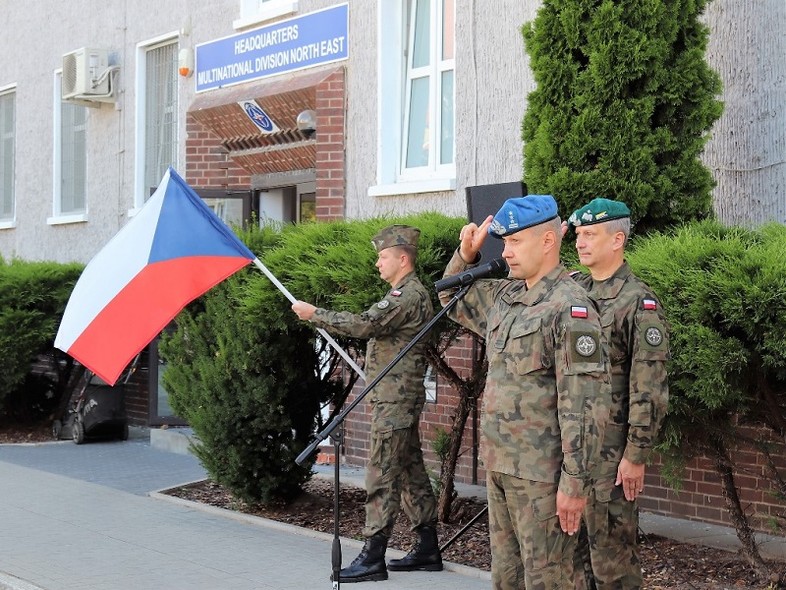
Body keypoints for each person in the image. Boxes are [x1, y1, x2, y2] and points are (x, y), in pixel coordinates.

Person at [438, 195, 611, 589]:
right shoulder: (506, 297)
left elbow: (584, 405)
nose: (506, 252)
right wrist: (465, 256)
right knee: (507, 578)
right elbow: (450, 298)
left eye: (516, 242)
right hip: (501, 465)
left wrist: (574, 482)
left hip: (543, 477)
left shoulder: (570, 309)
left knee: (551, 581)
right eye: (504, 243)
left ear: (548, 242)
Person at [291, 224, 441, 583]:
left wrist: (315, 314)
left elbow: (364, 325)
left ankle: (373, 556)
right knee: (409, 471)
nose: (378, 263)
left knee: (382, 473)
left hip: (395, 401)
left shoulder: (407, 296)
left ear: (402, 259)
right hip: (395, 397)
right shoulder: (409, 293)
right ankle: (427, 547)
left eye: (383, 256)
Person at [566, 198, 670, 590]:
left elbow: (649, 384)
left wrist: (636, 454)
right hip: (572, 450)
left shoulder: (638, 302)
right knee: (572, 562)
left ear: (618, 240)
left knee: (612, 565)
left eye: (590, 234)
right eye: (578, 235)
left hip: (610, 455)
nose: (580, 242)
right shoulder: (572, 289)